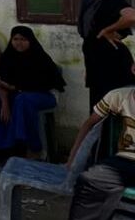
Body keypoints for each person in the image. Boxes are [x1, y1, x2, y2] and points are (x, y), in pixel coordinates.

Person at [0, 26, 65, 158]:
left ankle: (29, 146)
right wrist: (5, 104)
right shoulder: (8, 57)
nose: (19, 43)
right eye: (15, 39)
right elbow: (0, 80)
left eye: (23, 39)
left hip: (43, 95)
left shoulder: (39, 58)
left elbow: (44, 84)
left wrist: (13, 88)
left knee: (23, 99)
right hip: (15, 95)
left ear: (30, 40)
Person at [68, 72, 135, 218]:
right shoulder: (119, 96)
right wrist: (73, 157)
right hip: (124, 160)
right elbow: (89, 124)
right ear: (134, 69)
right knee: (90, 180)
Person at [78, 0, 135, 109]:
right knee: (100, 109)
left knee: (110, 109)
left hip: (112, 61)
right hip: (96, 61)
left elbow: (131, 16)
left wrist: (108, 29)